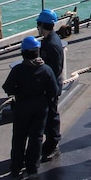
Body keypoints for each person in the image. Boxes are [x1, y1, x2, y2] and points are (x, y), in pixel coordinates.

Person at [2, 35, 60, 180]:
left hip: (22, 107)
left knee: (19, 137)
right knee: (36, 138)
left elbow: (7, 88)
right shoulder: (46, 69)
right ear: (38, 52)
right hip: (40, 108)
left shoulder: (18, 70)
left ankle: (16, 167)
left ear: (23, 53)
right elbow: (54, 90)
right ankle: (32, 167)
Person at [35, 10, 67, 162]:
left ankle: (53, 145)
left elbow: (56, 68)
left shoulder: (51, 44)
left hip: (51, 87)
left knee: (52, 115)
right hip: (50, 85)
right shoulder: (51, 40)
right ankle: (49, 143)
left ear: (42, 25)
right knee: (48, 116)